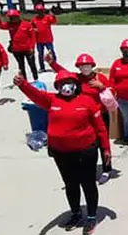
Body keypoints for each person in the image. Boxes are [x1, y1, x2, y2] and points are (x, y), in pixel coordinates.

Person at [15, 70, 110, 235]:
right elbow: (36, 95)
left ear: (76, 85)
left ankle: (91, 216)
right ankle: (75, 213)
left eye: (69, 82)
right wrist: (22, 83)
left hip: (85, 151)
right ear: (57, 86)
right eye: (61, 84)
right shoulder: (52, 100)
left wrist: (106, 149)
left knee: (88, 184)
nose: (66, 86)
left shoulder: (87, 101)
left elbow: (100, 128)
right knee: (70, 184)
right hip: (61, 153)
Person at [46, 52, 115, 184]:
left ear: (92, 65)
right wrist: (51, 63)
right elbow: (62, 72)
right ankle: (89, 169)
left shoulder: (100, 77)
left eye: (87, 65)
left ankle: (107, 169)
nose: (85, 68)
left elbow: (113, 91)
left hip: (101, 115)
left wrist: (102, 87)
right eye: (82, 66)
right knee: (89, 144)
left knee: (103, 143)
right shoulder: (76, 78)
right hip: (85, 116)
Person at [0, 9, 37, 80]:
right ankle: (25, 80)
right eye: (11, 18)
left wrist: (32, 47)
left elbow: (32, 37)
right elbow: (1, 26)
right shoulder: (9, 24)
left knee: (32, 64)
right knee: (21, 66)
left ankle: (36, 78)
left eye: (13, 17)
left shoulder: (26, 24)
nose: (12, 19)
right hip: (16, 49)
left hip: (28, 49)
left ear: (17, 17)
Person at [31, 3, 58, 73]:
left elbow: (54, 22)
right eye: (38, 11)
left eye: (41, 11)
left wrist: (53, 16)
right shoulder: (34, 19)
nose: (40, 12)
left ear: (43, 11)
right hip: (39, 40)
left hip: (48, 39)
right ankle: (42, 67)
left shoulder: (47, 17)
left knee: (52, 53)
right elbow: (31, 27)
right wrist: (34, 29)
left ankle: (55, 67)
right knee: (40, 54)